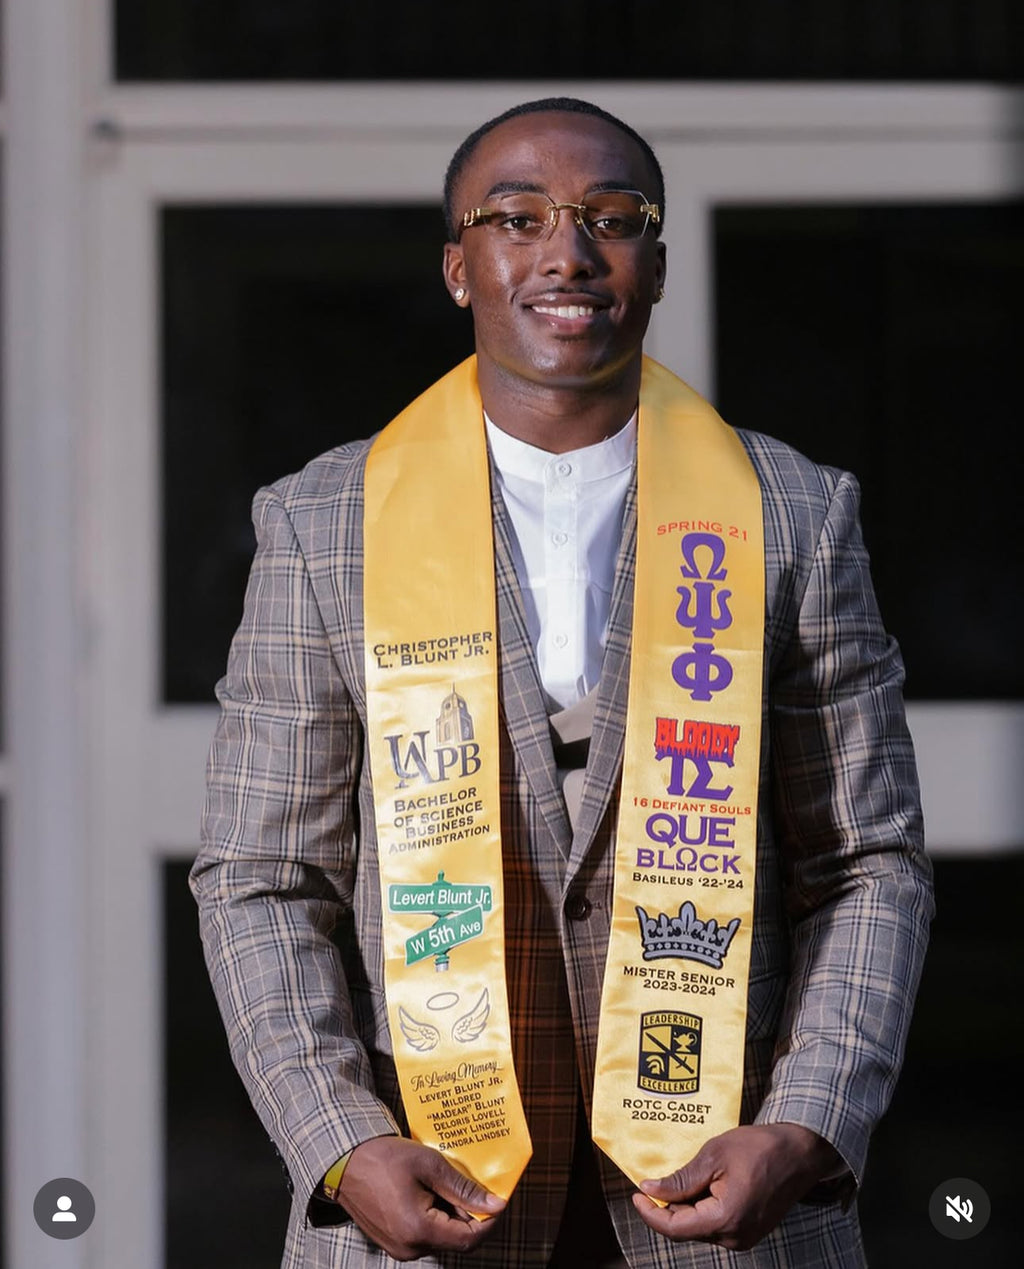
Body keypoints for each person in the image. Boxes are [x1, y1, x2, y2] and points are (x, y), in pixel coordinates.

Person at [191, 97, 933, 1268]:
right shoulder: (324, 522)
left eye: (611, 217)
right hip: (425, 1200)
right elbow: (263, 876)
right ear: (457, 266)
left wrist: (803, 1124)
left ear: (657, 264)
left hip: (726, 1199)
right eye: (517, 217)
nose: (566, 252)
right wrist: (339, 1141)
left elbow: (865, 861)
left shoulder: (792, 513)